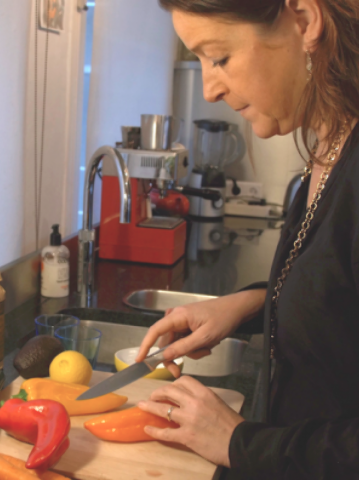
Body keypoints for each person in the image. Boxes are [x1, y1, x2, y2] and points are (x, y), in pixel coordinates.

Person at [135, 1, 359, 478]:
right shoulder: (327, 150)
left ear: (304, 21)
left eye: (218, 57)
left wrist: (238, 442)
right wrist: (251, 305)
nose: (210, 89)